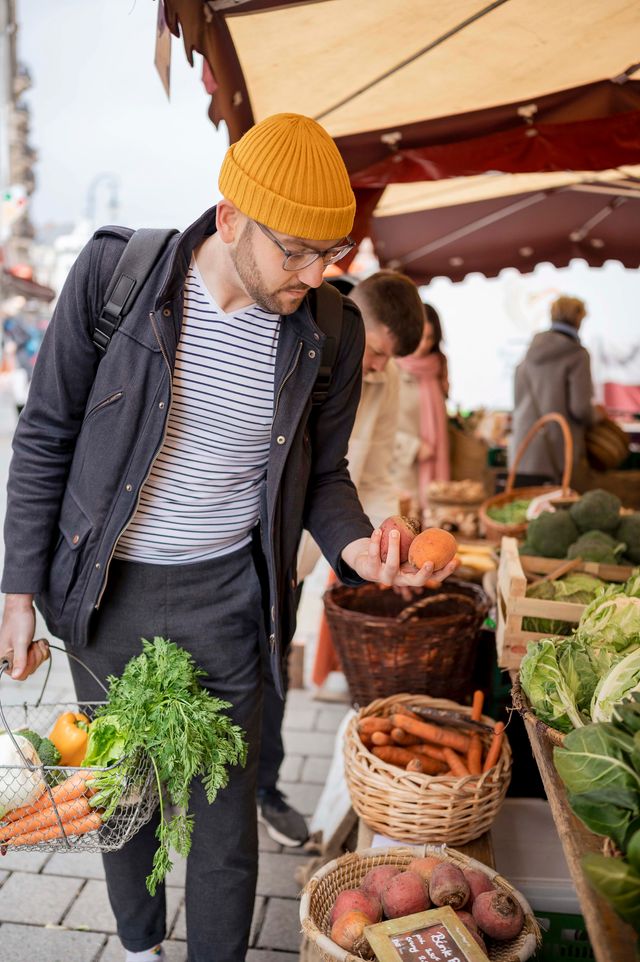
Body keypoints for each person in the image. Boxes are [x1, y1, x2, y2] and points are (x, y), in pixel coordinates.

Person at [0, 113, 456, 962]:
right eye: (298, 252)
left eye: (333, 255)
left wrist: (359, 552)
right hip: (109, 595)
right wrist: (18, 590)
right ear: (232, 217)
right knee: (122, 796)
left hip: (231, 598)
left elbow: (323, 478)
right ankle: (138, 950)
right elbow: (45, 432)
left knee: (222, 817)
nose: (317, 274)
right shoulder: (117, 276)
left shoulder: (332, 330)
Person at [257, 270, 425, 845]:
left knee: (275, 667)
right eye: (378, 351)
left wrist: (386, 546)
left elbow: (375, 477)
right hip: (241, 533)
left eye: (387, 359)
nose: (377, 366)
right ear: (353, 314)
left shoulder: (390, 379)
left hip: (307, 549)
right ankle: (193, 786)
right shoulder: (294, 325)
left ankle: (264, 788)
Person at [511, 295, 603, 486]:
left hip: (523, 450)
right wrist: (597, 415)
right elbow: (580, 409)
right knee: (555, 513)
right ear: (579, 319)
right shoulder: (577, 355)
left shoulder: (529, 352)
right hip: (557, 454)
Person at [392, 302, 450, 516]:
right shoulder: (390, 370)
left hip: (438, 467)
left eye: (430, 337)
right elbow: (378, 427)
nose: (424, 344)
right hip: (403, 472)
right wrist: (414, 447)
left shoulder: (437, 368)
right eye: (419, 337)